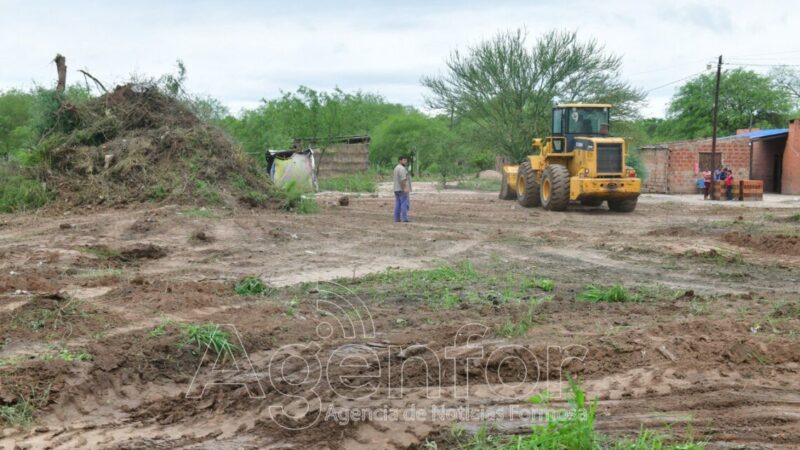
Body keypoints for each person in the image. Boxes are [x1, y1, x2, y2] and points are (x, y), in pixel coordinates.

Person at [393, 156, 411, 222]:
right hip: (401, 189)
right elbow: (403, 180)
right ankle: (405, 218)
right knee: (404, 203)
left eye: (406, 160)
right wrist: (405, 188)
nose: (405, 162)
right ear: (400, 161)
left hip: (396, 189)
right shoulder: (402, 169)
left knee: (398, 204)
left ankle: (397, 218)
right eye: (404, 160)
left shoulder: (396, 168)